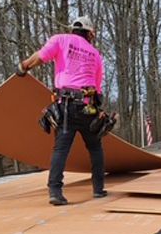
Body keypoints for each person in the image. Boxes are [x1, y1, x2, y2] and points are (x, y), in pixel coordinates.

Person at [16, 15, 107, 205]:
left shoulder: (60, 40)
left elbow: (41, 57)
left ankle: (55, 192)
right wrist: (98, 109)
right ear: (90, 33)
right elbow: (98, 87)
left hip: (66, 106)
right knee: (95, 148)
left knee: (61, 149)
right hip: (88, 107)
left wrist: (24, 66)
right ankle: (98, 190)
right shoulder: (95, 54)